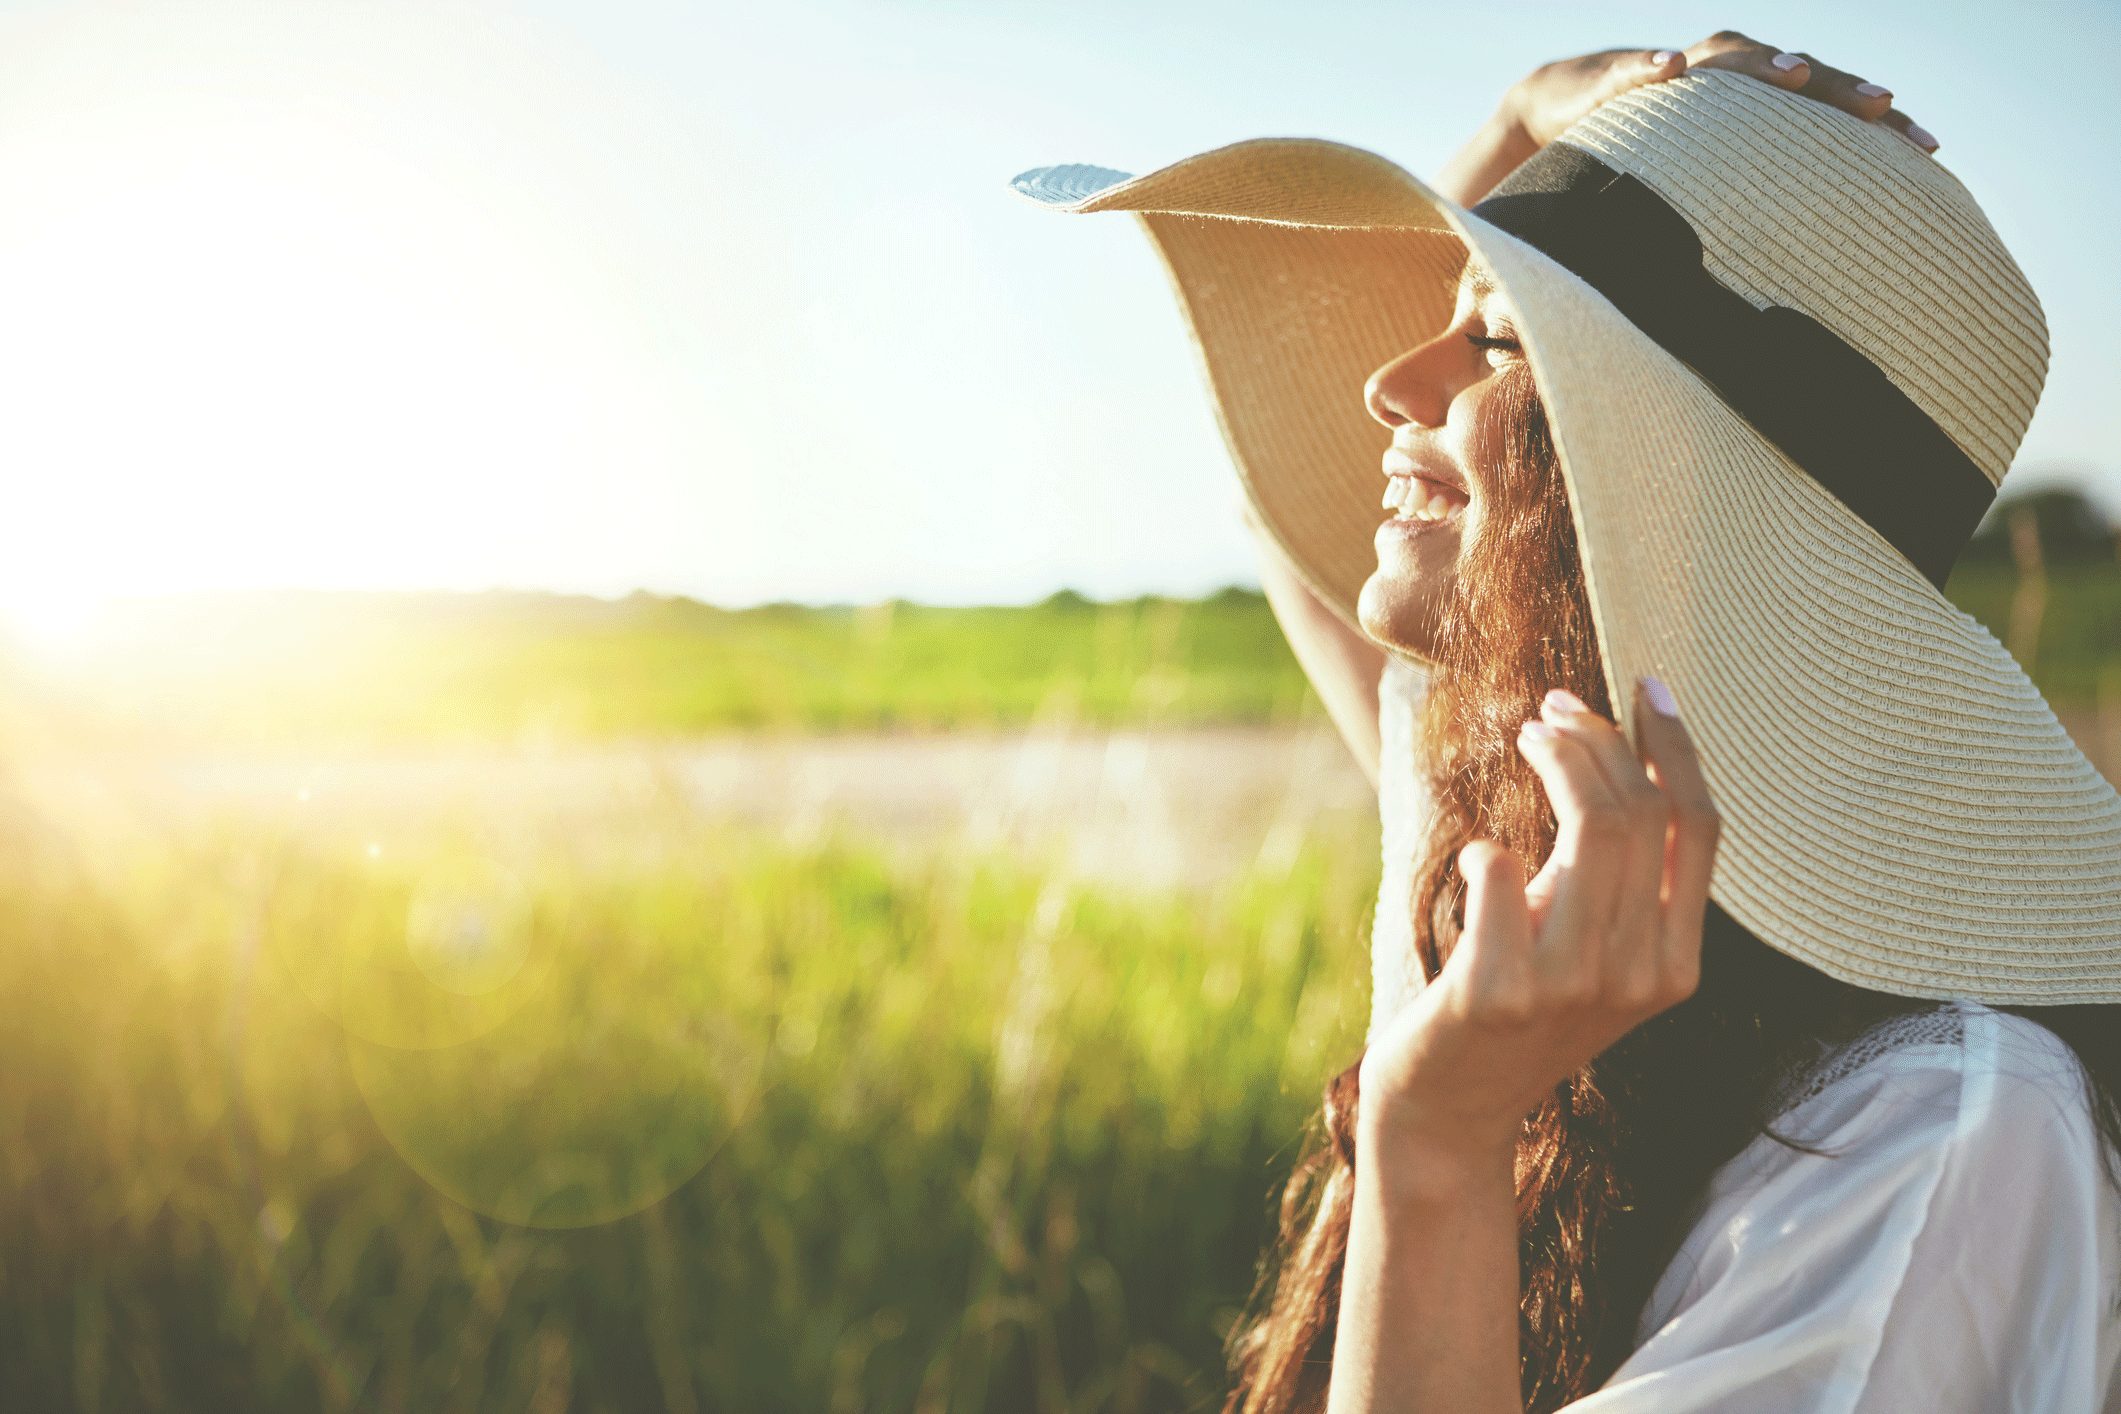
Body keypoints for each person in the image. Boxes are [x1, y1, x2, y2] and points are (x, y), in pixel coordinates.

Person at [1011, 30, 2121, 1412]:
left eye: (1486, 337)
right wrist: (1518, 127)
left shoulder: (1941, 1138)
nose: (1383, 385)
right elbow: (1281, 516)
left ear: (1667, 476)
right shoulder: (1530, 811)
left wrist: (1438, 1140)